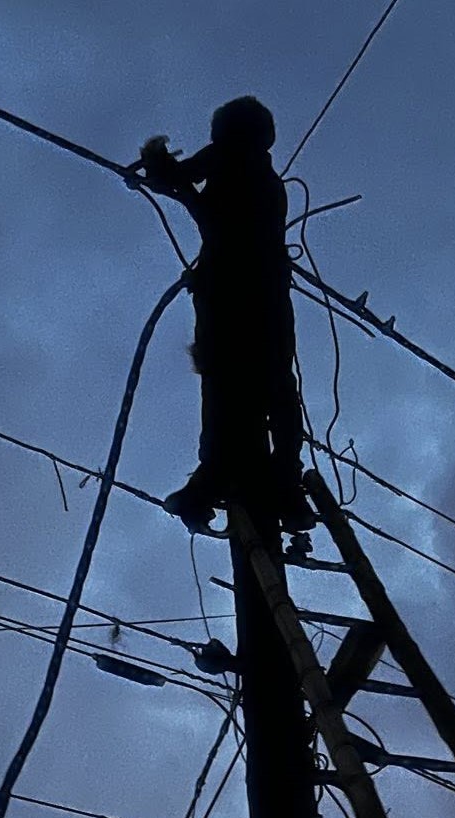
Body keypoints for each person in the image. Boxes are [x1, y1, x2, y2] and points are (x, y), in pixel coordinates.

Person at [135, 97, 315, 534]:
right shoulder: (269, 179)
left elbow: (183, 187)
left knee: (227, 386)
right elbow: (199, 202)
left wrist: (154, 159)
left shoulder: (229, 158)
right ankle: (283, 484)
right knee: (272, 387)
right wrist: (173, 182)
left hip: (231, 294)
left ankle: (219, 475)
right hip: (267, 295)